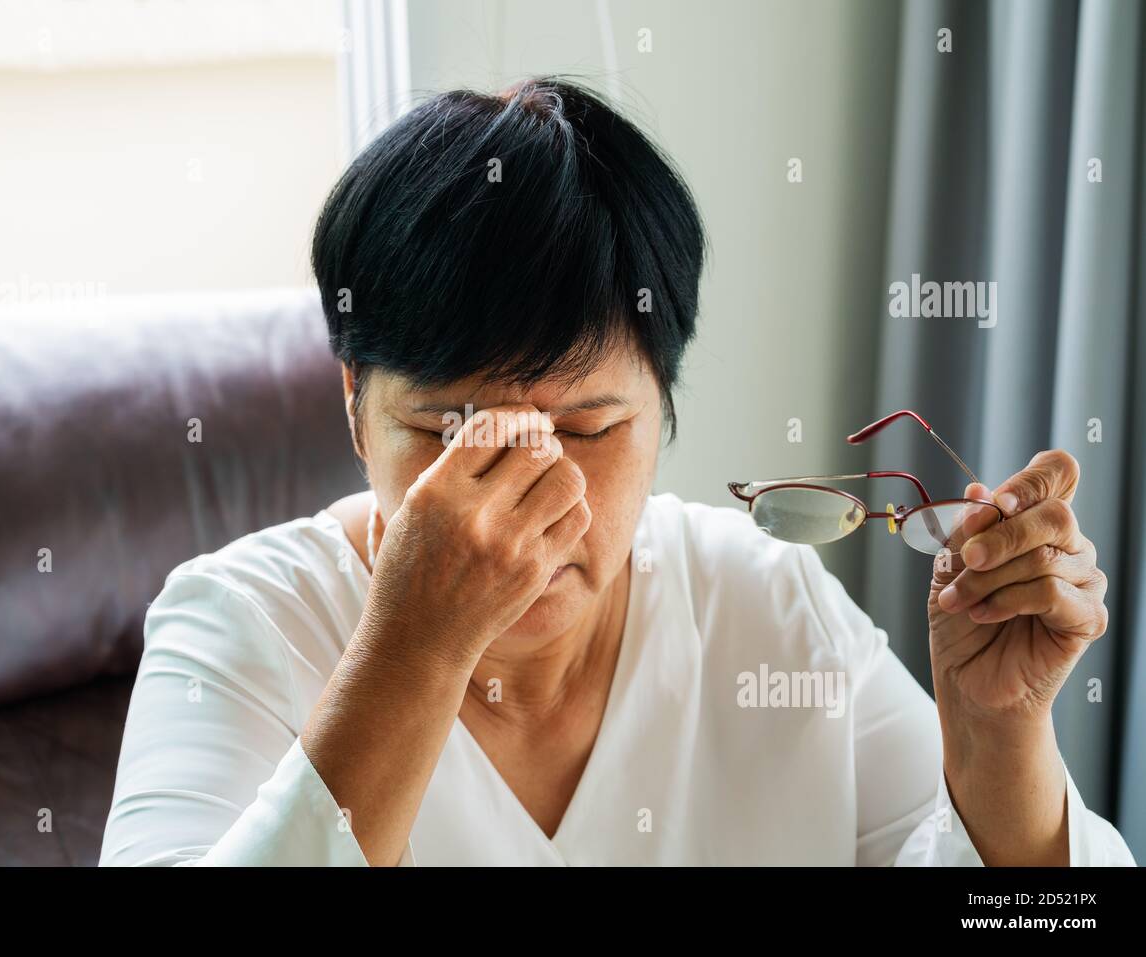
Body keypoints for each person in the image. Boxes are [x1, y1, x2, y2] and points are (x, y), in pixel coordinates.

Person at [99, 77, 1134, 866]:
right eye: (451, 432)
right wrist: (415, 649)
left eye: (588, 430)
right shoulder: (238, 629)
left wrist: (998, 738)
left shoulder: (761, 600)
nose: (527, 508)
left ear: (665, 410)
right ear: (354, 409)